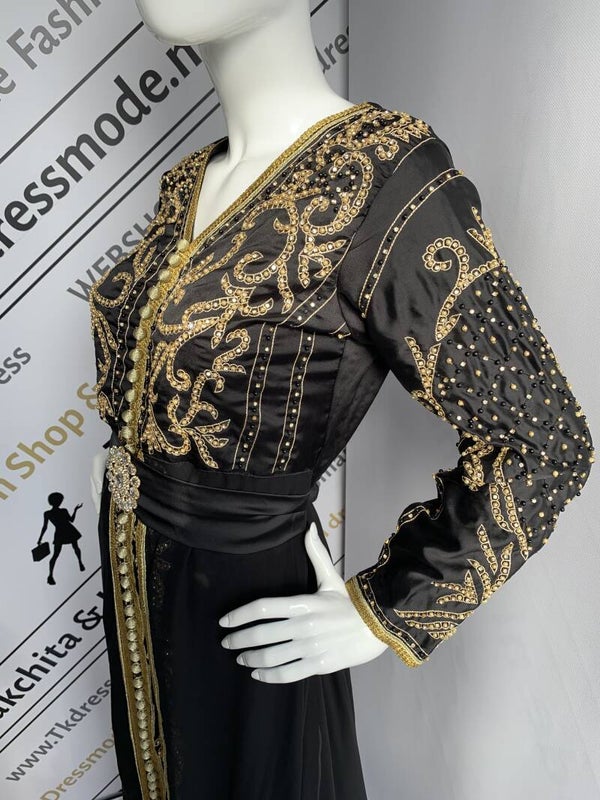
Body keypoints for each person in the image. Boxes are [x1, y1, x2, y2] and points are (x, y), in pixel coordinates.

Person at [88, 1, 594, 797]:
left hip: (251, 612)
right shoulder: (191, 180)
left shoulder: (384, 175)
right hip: (138, 581)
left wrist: (385, 607)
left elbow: (542, 437)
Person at [38, 493, 85, 585]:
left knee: (57, 554)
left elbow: (45, 527)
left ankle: (51, 575)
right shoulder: (61, 511)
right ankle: (80, 563)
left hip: (61, 532)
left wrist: (40, 539)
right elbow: (71, 520)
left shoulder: (48, 513)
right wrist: (75, 510)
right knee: (74, 548)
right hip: (67, 530)